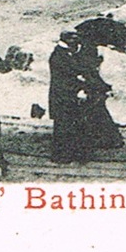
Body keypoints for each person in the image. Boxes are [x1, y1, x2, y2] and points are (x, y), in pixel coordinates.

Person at [48, 31, 90, 163]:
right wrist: (79, 84)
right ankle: (63, 156)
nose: (77, 41)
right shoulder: (60, 55)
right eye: (73, 38)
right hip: (63, 96)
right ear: (67, 40)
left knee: (69, 126)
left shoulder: (65, 53)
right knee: (63, 127)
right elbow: (66, 77)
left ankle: (69, 154)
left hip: (66, 95)